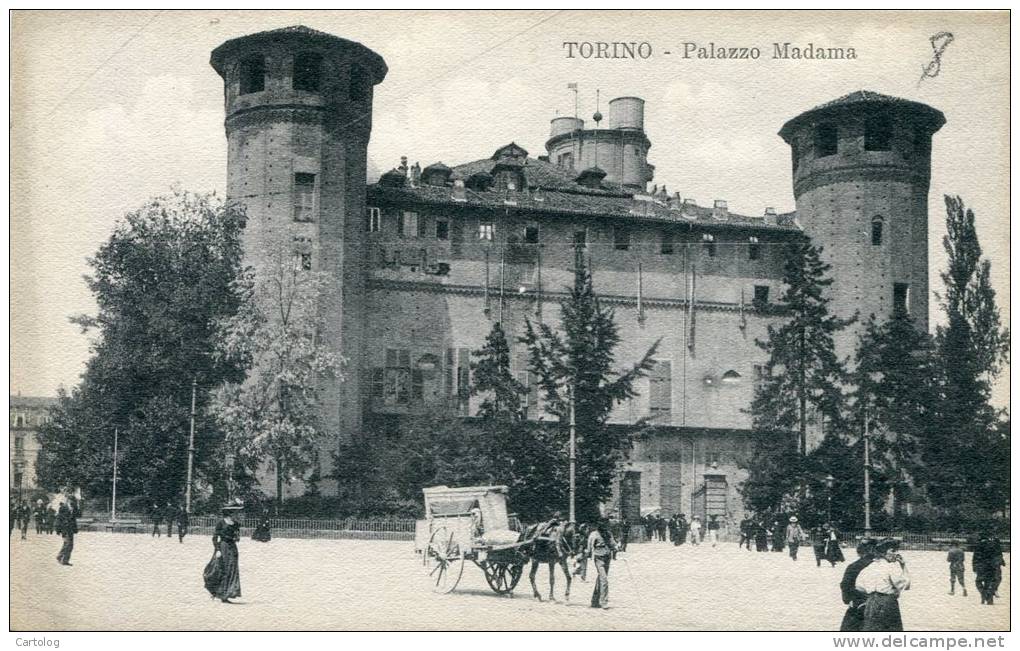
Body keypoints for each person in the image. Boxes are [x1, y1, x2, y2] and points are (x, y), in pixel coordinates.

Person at [856, 538, 909, 631]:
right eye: (893, 550)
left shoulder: (870, 567)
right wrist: (903, 566)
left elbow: (859, 586)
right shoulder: (891, 567)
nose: (896, 553)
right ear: (884, 552)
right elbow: (905, 585)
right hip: (887, 604)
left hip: (871, 603)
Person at [839, 538, 875, 631]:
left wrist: (848, 599)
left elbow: (845, 585)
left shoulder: (853, 566)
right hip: (877, 604)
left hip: (857, 603)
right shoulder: (880, 566)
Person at [212, 500, 244, 603]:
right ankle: (221, 593)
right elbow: (215, 537)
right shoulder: (221, 523)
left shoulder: (236, 524)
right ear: (230, 512)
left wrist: (236, 537)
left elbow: (237, 536)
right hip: (223, 547)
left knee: (232, 569)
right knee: (223, 569)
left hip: (232, 547)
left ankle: (229, 592)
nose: (237, 514)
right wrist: (217, 549)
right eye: (235, 512)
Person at [587, 518, 616, 609]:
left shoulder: (608, 534)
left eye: (606, 525)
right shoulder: (594, 534)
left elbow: (613, 544)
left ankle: (594, 601)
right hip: (598, 559)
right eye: (603, 525)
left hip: (607, 558)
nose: (605, 527)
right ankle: (603, 602)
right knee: (604, 579)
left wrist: (616, 547)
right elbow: (589, 547)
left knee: (600, 579)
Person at [972, 534, 1004, 605]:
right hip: (991, 567)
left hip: (982, 567)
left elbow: (975, 558)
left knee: (978, 582)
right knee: (988, 582)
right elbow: (997, 556)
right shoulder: (993, 545)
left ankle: (984, 595)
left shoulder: (978, 545)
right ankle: (990, 600)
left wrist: (974, 567)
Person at [55, 499, 78, 566]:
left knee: (70, 545)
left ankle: (65, 560)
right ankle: (60, 556)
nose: (72, 503)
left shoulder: (73, 508)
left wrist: (75, 529)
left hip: (70, 529)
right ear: (68, 501)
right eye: (71, 502)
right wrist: (58, 529)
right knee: (68, 544)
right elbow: (58, 518)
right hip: (64, 529)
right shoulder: (63, 508)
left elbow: (74, 519)